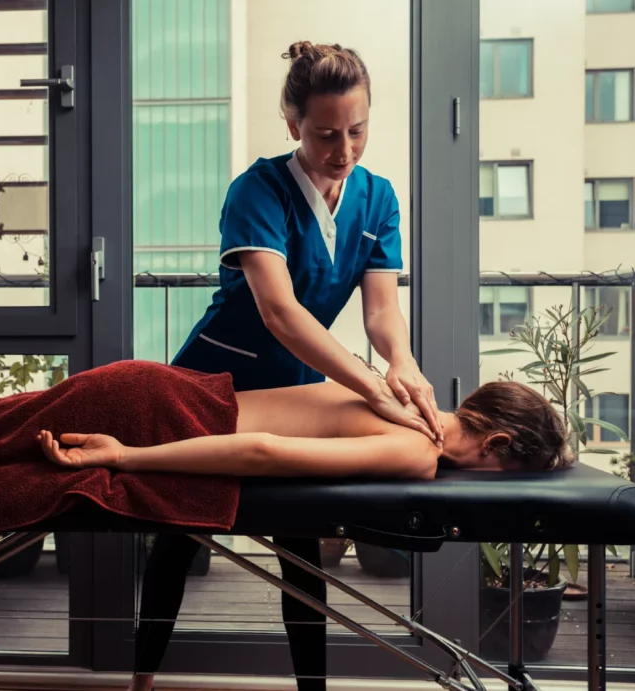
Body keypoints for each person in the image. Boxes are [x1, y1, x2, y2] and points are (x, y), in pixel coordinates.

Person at [133, 40, 440, 691]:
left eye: (358, 130)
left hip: (296, 383)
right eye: (327, 133)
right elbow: (280, 312)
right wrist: (368, 384)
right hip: (212, 379)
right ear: (292, 123)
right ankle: (140, 679)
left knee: (302, 550)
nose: (345, 149)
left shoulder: (377, 199)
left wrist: (403, 363)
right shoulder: (258, 189)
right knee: (178, 539)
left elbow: (381, 312)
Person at [0, 361, 572, 478]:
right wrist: (136, 455)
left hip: (163, 386)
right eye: (506, 470)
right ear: (493, 443)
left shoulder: (401, 394)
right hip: (158, 411)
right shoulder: (417, 449)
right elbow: (260, 448)